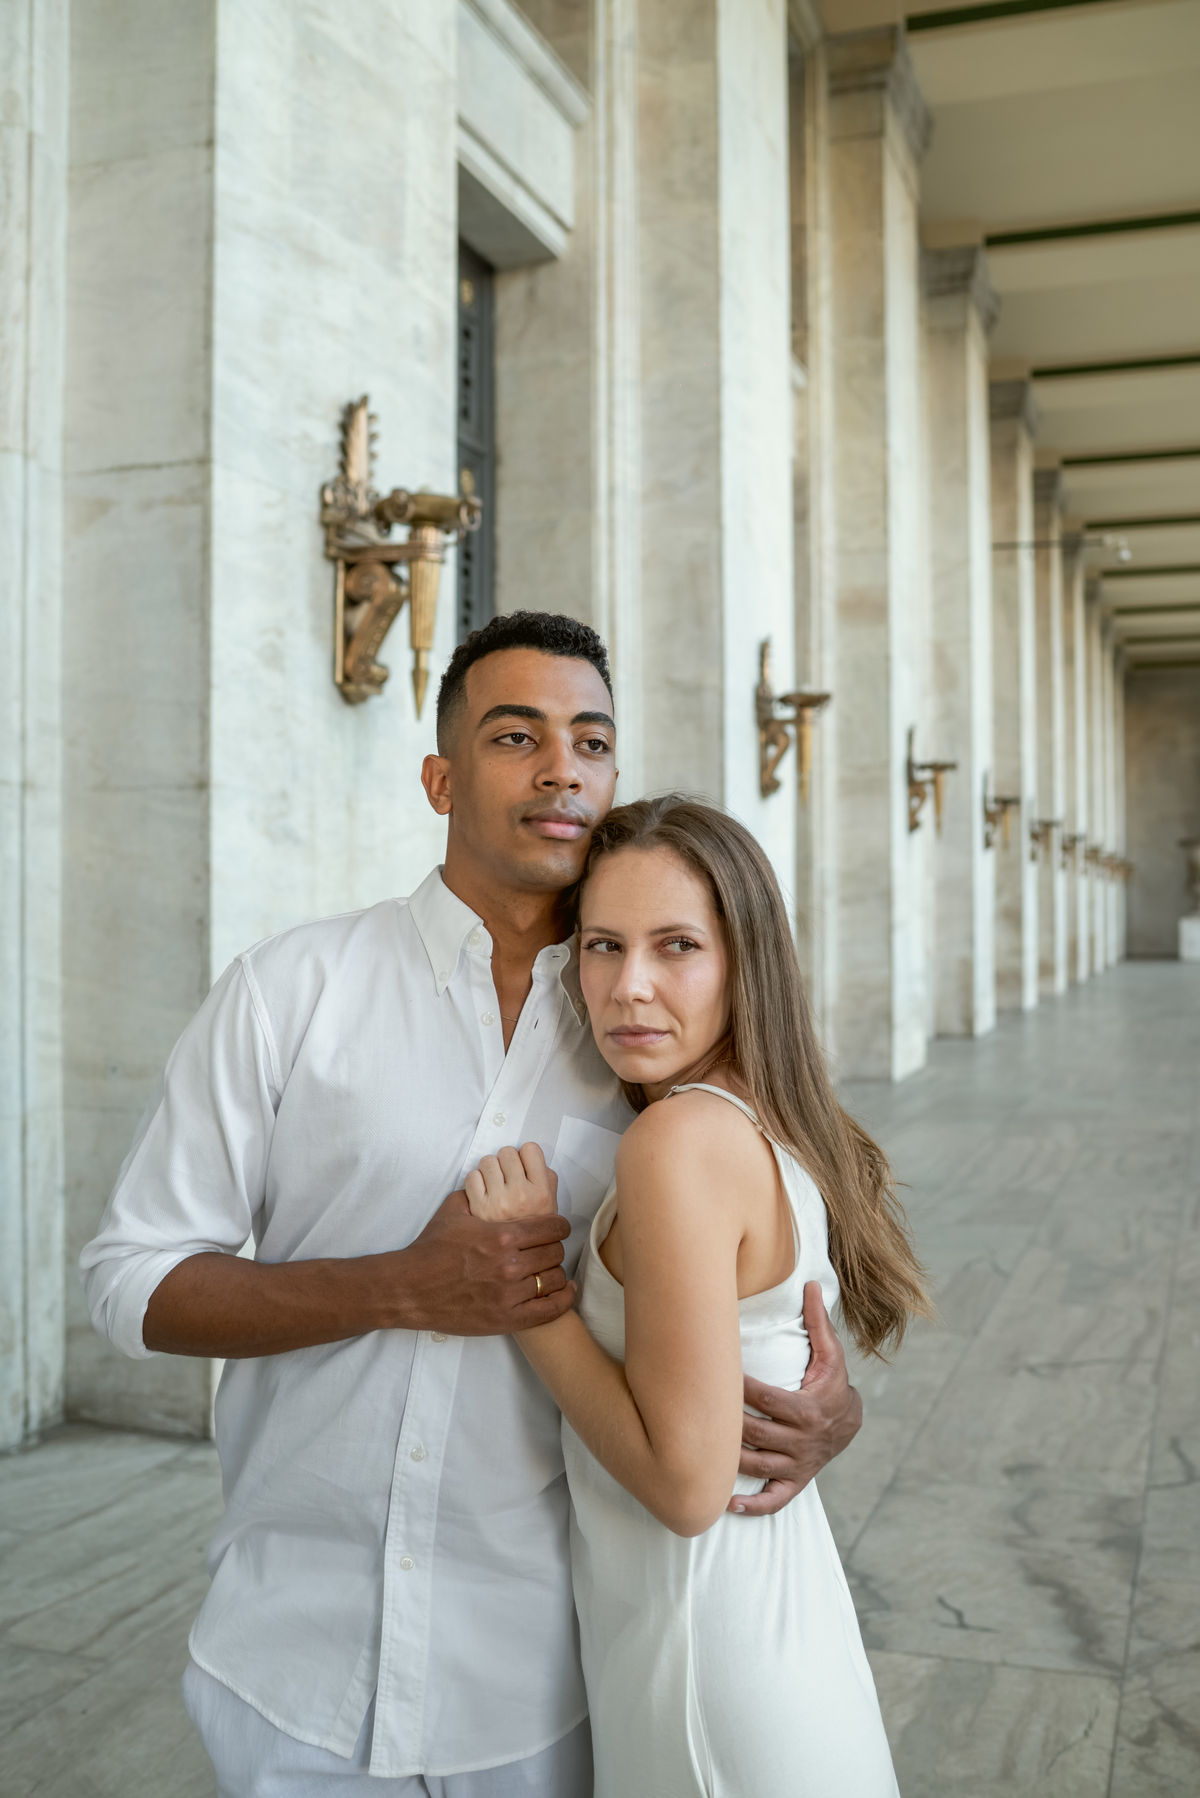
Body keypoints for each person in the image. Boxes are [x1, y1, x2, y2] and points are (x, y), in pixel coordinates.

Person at [80, 612, 863, 1798]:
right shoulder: (291, 991)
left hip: (552, 1683)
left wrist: (822, 1395)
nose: (563, 769)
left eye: (593, 742)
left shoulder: (646, 1033)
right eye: (517, 736)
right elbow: (129, 1279)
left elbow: (754, 1240)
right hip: (294, 1660)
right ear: (441, 774)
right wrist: (397, 1285)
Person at [464, 795, 931, 1797]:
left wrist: (529, 1283)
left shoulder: (677, 1142)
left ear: (743, 961)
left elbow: (686, 1488)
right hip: (774, 1634)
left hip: (709, 1667)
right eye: (601, 945)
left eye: (677, 945)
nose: (628, 988)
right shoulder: (761, 1119)